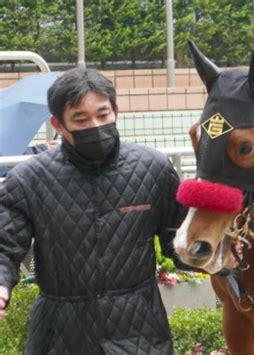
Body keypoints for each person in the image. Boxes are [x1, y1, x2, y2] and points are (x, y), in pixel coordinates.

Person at [0, 68, 186, 354]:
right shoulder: (29, 179)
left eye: (102, 115)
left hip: (139, 331)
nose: (95, 125)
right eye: (81, 119)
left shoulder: (154, 169)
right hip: (59, 333)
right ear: (58, 125)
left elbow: (180, 241)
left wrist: (216, 255)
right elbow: (5, 245)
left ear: (116, 111)